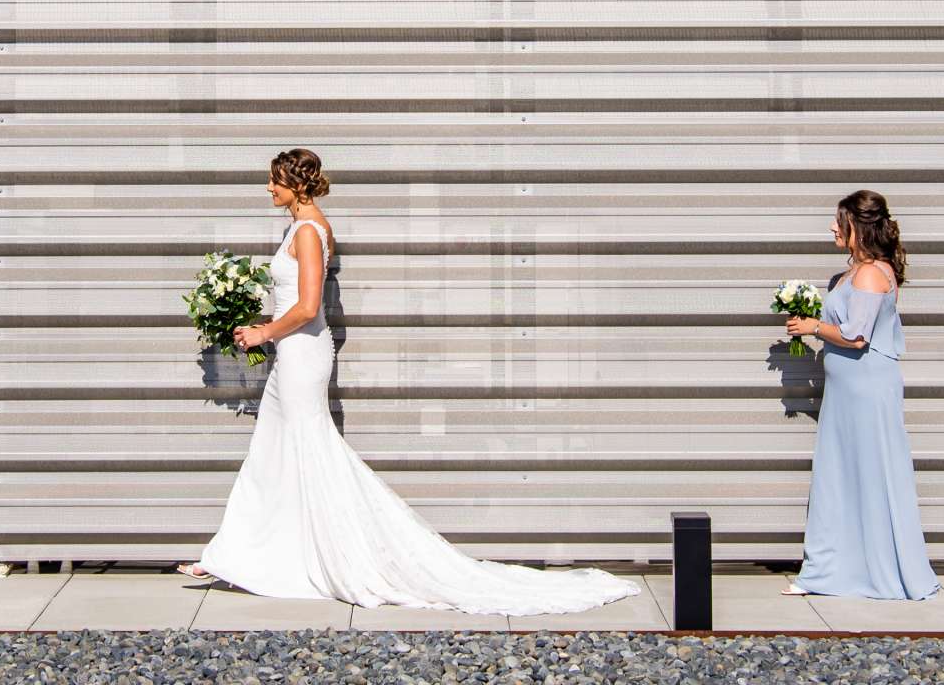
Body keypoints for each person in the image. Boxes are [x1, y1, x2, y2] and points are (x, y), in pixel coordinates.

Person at [182, 149, 631, 616]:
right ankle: (239, 554)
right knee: (275, 448)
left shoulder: (310, 230)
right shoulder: (301, 227)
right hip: (292, 353)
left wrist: (263, 331)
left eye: (274, 181)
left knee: (305, 449)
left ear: (296, 184)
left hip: (301, 353)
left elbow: (309, 305)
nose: (267, 189)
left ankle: (297, 554)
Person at [783, 189, 937, 600]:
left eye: (840, 221)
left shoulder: (871, 274)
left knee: (869, 473)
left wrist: (812, 328)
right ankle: (837, 567)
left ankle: (874, 570)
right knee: (841, 476)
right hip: (847, 391)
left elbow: (855, 336)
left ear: (858, 227)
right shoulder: (852, 274)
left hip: (867, 390)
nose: (833, 227)